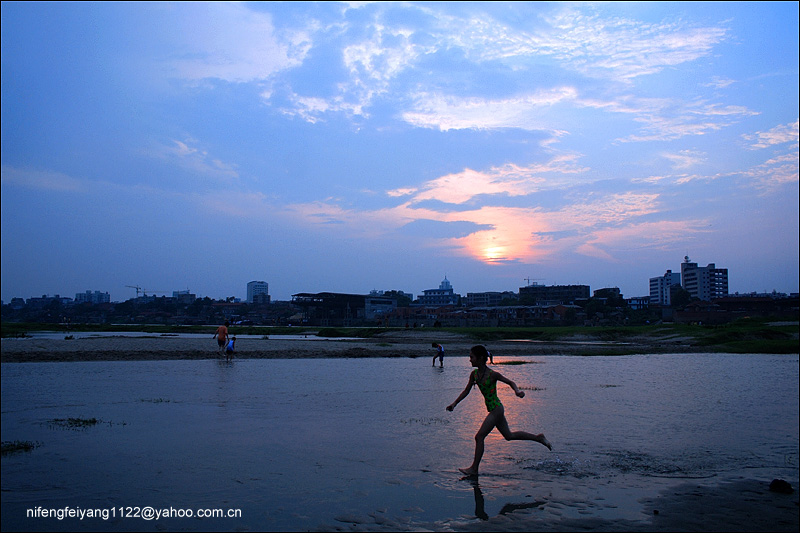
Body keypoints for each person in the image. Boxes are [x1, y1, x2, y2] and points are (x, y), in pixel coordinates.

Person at [446, 345, 551, 476]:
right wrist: (454, 403)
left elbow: (510, 382)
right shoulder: (474, 375)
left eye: (471, 357)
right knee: (509, 436)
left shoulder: (492, 374)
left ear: (481, 358)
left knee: (479, 437)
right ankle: (538, 438)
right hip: (494, 409)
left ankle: (474, 469)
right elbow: (466, 390)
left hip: (497, 409)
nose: (470, 360)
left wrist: (517, 391)